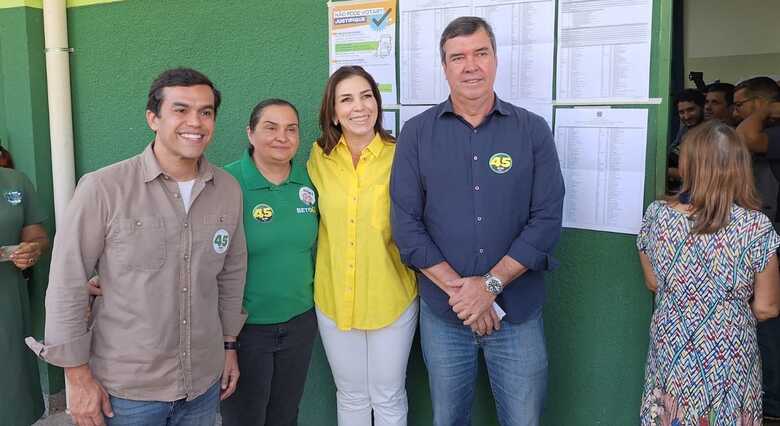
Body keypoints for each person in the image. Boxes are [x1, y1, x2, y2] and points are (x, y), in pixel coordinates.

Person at [25, 67, 248, 426]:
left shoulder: (227, 189)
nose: (196, 121)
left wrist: (229, 346)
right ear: (153, 118)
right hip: (127, 395)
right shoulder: (103, 188)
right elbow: (67, 282)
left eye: (206, 112)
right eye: (180, 109)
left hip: (203, 385)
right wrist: (77, 377)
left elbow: (232, 274)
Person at [391, 16, 564, 425]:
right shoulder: (416, 134)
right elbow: (407, 226)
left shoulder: (532, 130)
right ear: (445, 67)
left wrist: (489, 286)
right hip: (446, 316)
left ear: (496, 59)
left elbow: (546, 221)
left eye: (480, 53)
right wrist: (467, 296)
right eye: (458, 57)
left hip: (518, 313)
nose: (471, 66)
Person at [637, 121, 780, 425]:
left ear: (688, 164)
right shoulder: (756, 227)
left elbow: (653, 282)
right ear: (739, 167)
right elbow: (767, 307)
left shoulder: (657, 215)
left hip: (672, 343)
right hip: (730, 347)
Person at [307, 65, 418, 426]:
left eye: (366, 96)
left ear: (377, 103)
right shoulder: (316, 158)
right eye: (346, 99)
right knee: (351, 395)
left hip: (391, 295)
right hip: (334, 296)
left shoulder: (402, 155)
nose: (359, 107)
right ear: (333, 112)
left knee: (387, 395)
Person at [220, 99, 318, 426]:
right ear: (250, 133)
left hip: (299, 323)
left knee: (285, 416)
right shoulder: (226, 183)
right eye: (270, 128)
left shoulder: (309, 182)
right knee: (245, 419)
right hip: (246, 331)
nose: (282, 137)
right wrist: (226, 342)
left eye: (291, 129)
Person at [733, 76, 780, 421]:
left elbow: (744, 136)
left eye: (742, 105)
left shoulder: (773, 134)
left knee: (768, 324)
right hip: (765, 234)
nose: (736, 112)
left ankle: (773, 404)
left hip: (772, 236)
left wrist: (764, 110)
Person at [1, 165, 48, 426]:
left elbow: (37, 235)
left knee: (11, 383)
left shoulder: (15, 182)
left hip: (7, 301)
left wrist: (32, 249)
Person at [667, 89, 705, 192]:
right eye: (681, 112)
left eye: (691, 110)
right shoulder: (685, 128)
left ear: (702, 107)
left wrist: (671, 172)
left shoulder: (713, 134)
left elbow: (707, 175)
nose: (686, 116)